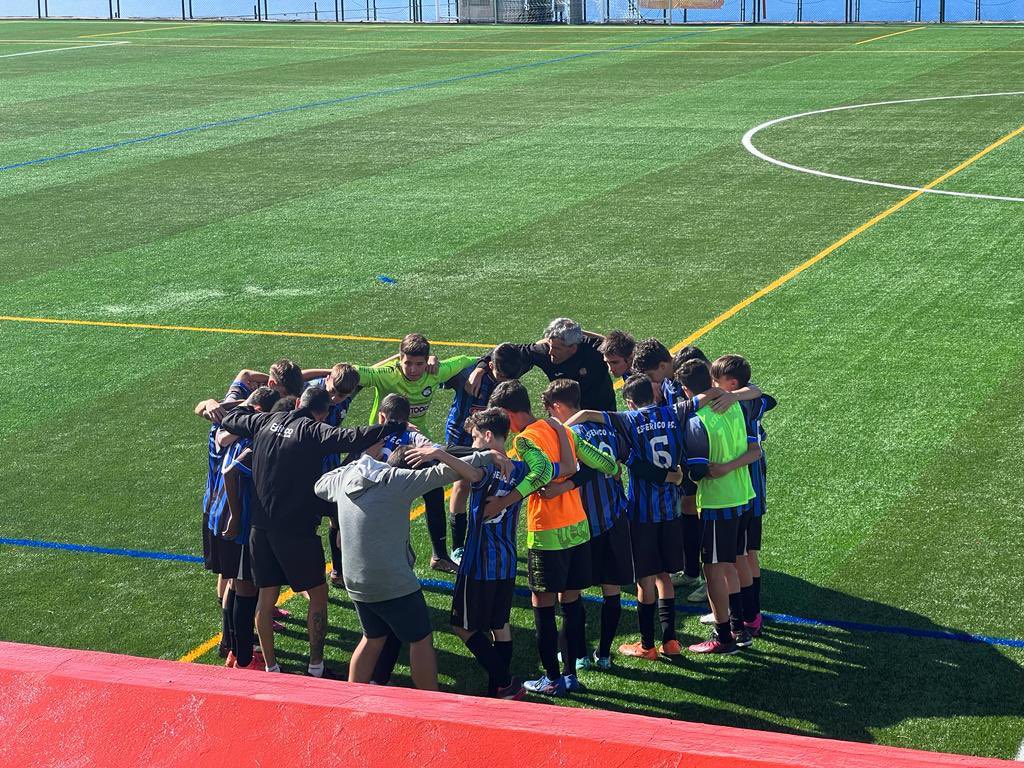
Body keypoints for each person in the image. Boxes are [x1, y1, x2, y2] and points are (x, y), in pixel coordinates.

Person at [219, 385, 406, 677]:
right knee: (317, 595)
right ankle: (316, 668)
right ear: (323, 413)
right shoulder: (312, 431)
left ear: (297, 402)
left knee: (266, 598)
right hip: (296, 531)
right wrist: (392, 427)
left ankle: (271, 667)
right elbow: (352, 436)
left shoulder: (265, 420)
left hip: (260, 528)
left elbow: (231, 419)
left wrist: (232, 405)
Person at [314, 442, 507, 691]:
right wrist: (488, 456)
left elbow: (320, 485)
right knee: (421, 639)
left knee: (372, 637)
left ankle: (352, 696)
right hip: (391, 580)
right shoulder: (399, 480)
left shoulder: (347, 477)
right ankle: (429, 700)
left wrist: (357, 463)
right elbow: (446, 473)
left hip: (355, 580)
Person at [487, 379, 617, 697]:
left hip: (547, 532)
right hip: (578, 529)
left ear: (507, 413)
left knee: (543, 604)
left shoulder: (526, 440)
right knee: (571, 602)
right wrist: (569, 478)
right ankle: (571, 674)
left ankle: (552, 678)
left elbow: (541, 473)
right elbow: (607, 464)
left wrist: (505, 501)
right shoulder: (561, 429)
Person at [354, 333, 481, 574]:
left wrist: (481, 368)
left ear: (427, 361)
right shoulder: (386, 374)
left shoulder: (436, 372)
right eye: (407, 363)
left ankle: (440, 556)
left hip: (415, 446)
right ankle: (356, 563)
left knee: (434, 493)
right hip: (381, 448)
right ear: (399, 359)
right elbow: (351, 372)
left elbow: (470, 359)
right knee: (380, 504)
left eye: (419, 364)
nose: (413, 369)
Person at [540, 379, 635, 670]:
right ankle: (604, 654)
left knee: (570, 592)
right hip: (615, 516)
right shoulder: (606, 428)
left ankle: (577, 654)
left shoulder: (568, 435)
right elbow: (623, 458)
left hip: (581, 524)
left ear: (557, 406)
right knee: (611, 589)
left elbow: (580, 473)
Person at [677, 359, 759, 655]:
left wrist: (681, 471)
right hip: (743, 496)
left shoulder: (697, 420)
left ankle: (723, 637)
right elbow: (752, 447)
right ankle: (740, 629)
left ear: (687, 391)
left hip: (717, 502)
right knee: (731, 564)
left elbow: (699, 472)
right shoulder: (735, 406)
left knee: (714, 572)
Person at [450, 409, 528, 699]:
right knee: (500, 625)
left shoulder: (483, 471)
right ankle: (499, 690)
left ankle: (506, 681)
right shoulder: (520, 469)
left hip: (479, 561)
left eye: (474, 438)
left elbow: (460, 464)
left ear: (487, 436)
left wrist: (436, 452)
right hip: (507, 559)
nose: (473, 445)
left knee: (462, 627)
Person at [699, 355, 776, 638]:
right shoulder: (750, 400)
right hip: (750, 486)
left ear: (731, 384)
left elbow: (752, 450)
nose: (712, 385)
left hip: (743, 487)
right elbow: (763, 394)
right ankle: (749, 615)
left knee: (739, 556)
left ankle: (746, 616)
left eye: (716, 381)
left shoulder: (735, 407)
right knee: (746, 553)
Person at [209, 386, 281, 671]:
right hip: (238, 521)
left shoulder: (229, 427)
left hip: (221, 513)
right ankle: (243, 658)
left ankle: (232, 646)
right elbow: (232, 472)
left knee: (237, 585)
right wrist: (237, 517)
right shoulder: (252, 438)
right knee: (244, 589)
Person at [441, 343, 528, 565]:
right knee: (462, 485)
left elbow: (527, 348)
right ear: (491, 366)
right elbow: (438, 375)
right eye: (500, 376)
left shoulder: (510, 367)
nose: (504, 382)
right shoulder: (467, 374)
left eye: (509, 378)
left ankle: (481, 538)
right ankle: (458, 547)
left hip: (492, 436)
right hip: (463, 435)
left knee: (491, 482)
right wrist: (433, 363)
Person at [472, 318, 617, 411]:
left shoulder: (593, 350)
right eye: (550, 345)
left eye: (557, 348)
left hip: (600, 412)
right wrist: (480, 368)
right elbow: (504, 351)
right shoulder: (544, 351)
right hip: (563, 415)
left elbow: (615, 346)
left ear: (573, 348)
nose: (551, 352)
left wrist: (580, 331)